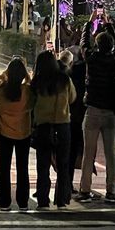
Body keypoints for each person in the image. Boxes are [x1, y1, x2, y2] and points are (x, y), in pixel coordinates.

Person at [76, 9, 115, 202]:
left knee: (89, 153)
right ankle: (111, 190)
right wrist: (109, 25)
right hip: (110, 111)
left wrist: (89, 22)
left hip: (93, 109)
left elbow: (83, 43)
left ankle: (85, 190)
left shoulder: (91, 59)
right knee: (111, 154)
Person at [30, 50, 76, 210]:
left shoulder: (37, 81)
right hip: (62, 125)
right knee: (63, 164)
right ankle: (61, 200)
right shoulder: (65, 79)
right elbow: (72, 98)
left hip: (43, 126)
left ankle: (43, 200)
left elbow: (31, 103)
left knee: (43, 165)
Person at [0, 57, 32, 211]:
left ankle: (4, 202)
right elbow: (32, 104)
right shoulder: (27, 91)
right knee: (23, 168)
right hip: (24, 133)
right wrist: (27, 77)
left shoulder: (0, 88)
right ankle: (23, 202)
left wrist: (6, 74)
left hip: (5, 133)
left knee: (4, 167)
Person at [68, 46, 87, 192]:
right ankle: (85, 186)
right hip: (85, 113)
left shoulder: (70, 73)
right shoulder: (89, 69)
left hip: (71, 115)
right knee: (86, 150)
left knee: (71, 150)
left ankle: (67, 182)